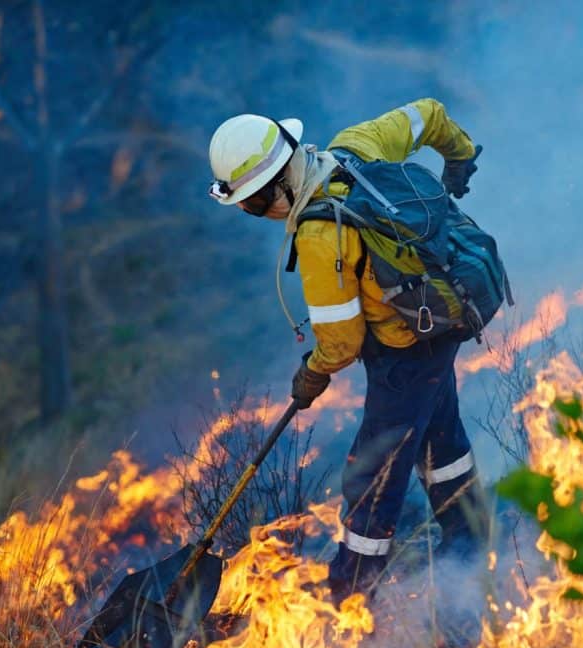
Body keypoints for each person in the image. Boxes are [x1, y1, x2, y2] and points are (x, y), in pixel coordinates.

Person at [207, 99, 489, 605]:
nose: (255, 214)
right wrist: (460, 156)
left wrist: (311, 375)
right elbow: (428, 114)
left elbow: (341, 343)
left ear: (277, 186)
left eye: (252, 203)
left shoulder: (320, 233)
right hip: (441, 326)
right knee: (440, 442)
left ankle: (352, 592)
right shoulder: (356, 147)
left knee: (373, 476)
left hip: (405, 353)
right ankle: (470, 542)